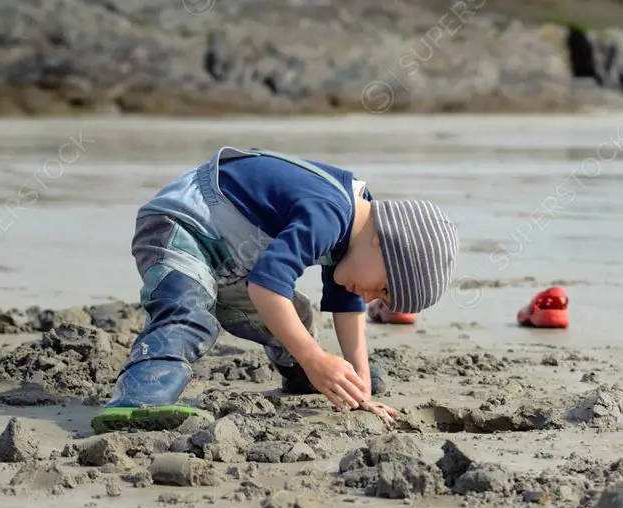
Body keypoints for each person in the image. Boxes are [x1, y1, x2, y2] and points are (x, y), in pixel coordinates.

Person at [92, 147, 459, 434]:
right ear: (382, 243)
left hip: (233, 259)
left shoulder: (357, 227)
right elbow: (266, 287)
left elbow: (347, 304)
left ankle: (308, 377)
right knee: (188, 316)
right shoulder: (328, 212)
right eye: (381, 288)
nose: (369, 297)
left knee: (295, 316)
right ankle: (140, 398)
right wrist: (316, 357)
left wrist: (360, 383)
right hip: (182, 228)